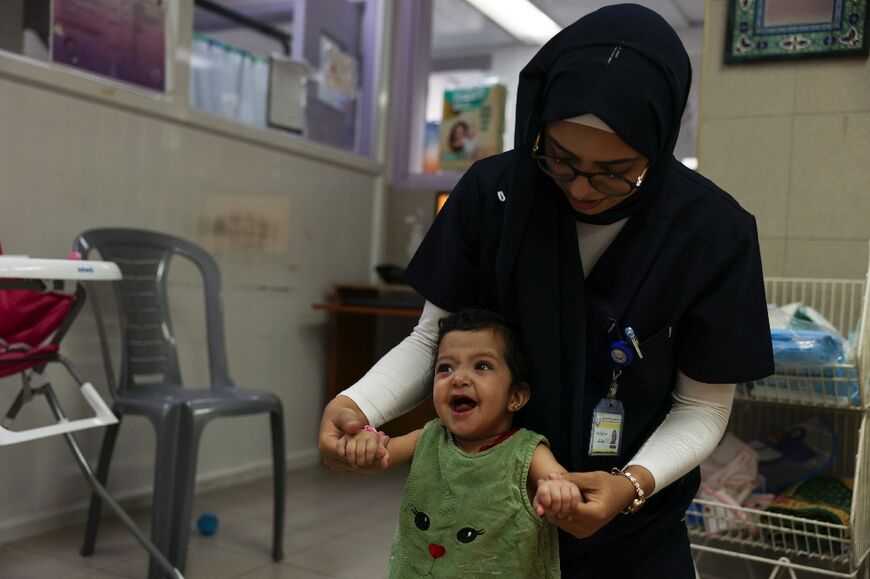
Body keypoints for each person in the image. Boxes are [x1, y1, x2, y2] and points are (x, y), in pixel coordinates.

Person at [319, 4, 774, 577]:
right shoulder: (495, 196)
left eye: (615, 171)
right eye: (560, 158)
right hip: (484, 521)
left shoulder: (712, 235)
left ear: (657, 150)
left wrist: (629, 485)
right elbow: (435, 340)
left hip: (631, 526)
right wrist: (357, 405)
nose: (583, 188)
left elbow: (701, 408)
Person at [340, 309, 576, 577]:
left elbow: (562, 482)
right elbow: (382, 455)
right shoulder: (428, 437)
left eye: (482, 366)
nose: (459, 378)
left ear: (516, 397)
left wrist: (559, 490)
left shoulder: (527, 452)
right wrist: (366, 444)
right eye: (445, 368)